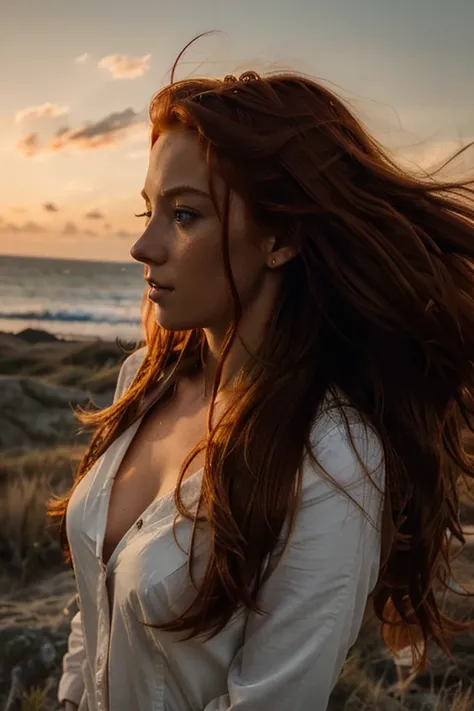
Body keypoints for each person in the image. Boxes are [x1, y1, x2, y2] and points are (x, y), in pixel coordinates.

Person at [48, 32, 474, 711]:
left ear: (282, 238)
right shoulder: (142, 378)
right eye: (148, 208)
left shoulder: (335, 459)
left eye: (184, 214)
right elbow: (93, 608)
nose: (142, 244)